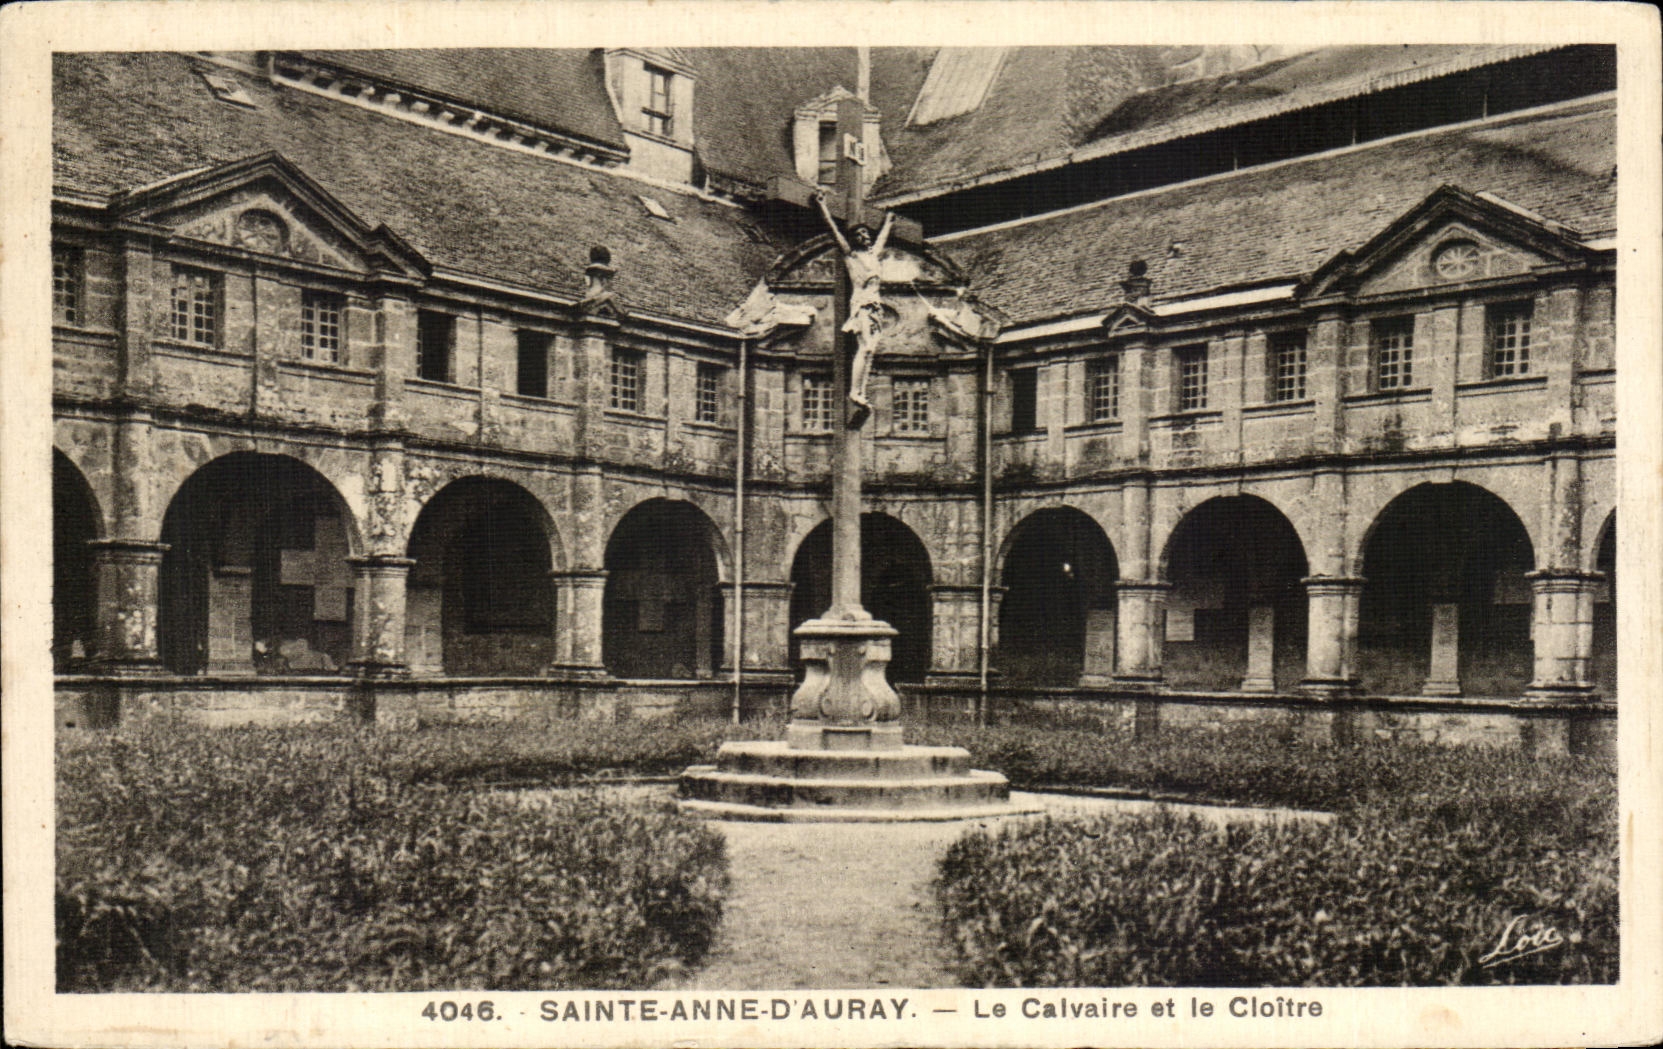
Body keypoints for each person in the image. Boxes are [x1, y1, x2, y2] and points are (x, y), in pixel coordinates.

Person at [814, 193, 894, 420]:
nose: (864, 237)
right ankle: (854, 392)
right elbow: (834, 232)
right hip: (862, 305)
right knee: (866, 347)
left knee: (871, 351)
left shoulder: (873, 256)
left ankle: (860, 393)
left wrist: (888, 222)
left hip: (876, 308)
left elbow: (881, 241)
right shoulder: (851, 257)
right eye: (859, 234)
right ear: (854, 240)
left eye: (866, 233)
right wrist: (823, 208)